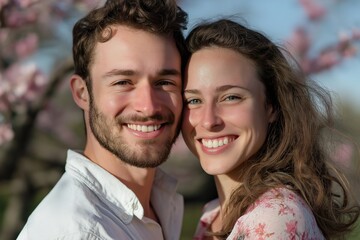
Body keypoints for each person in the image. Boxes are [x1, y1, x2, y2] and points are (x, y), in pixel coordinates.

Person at [17, 0, 188, 239]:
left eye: (165, 83)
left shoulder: (158, 204)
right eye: (122, 82)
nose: (148, 106)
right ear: (81, 93)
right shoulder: (79, 230)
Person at [181, 19, 360, 239]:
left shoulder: (274, 217)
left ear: (271, 107)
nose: (209, 121)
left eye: (231, 97)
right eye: (193, 100)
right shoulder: (213, 214)